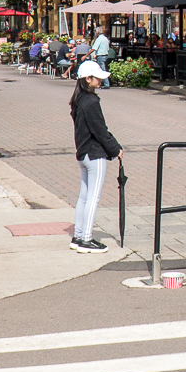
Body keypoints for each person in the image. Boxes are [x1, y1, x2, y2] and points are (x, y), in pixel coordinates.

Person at [70, 59, 123, 253]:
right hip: (94, 154)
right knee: (93, 197)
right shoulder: (91, 101)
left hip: (83, 152)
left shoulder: (78, 99)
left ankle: (78, 235)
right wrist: (115, 149)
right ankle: (86, 238)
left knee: (84, 196)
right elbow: (100, 130)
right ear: (88, 79)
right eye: (97, 78)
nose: (99, 81)